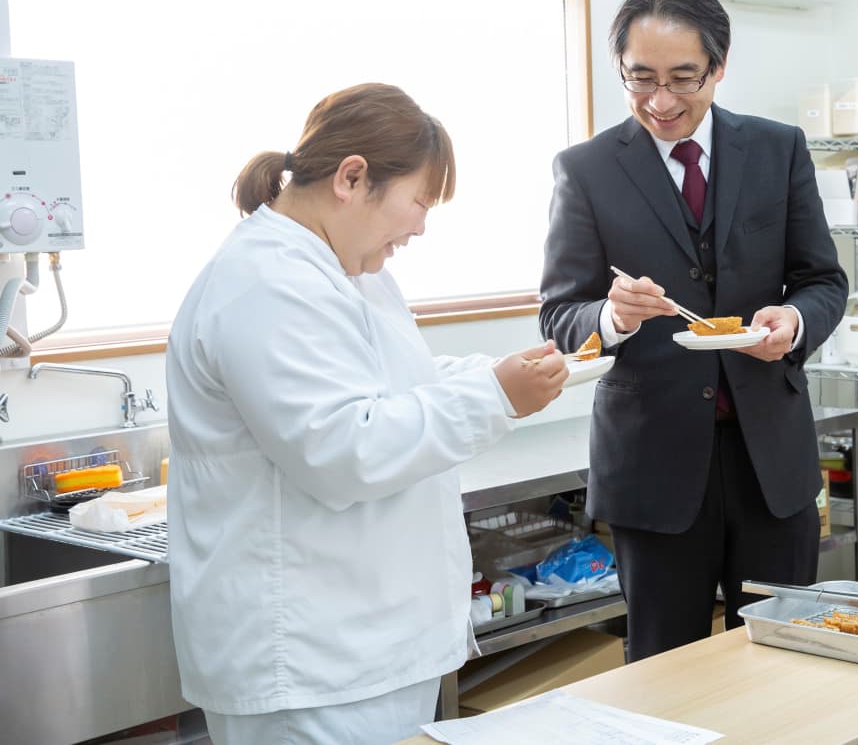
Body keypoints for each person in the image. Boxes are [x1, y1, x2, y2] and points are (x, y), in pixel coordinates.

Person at [165, 83, 568, 744]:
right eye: (418, 201)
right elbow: (343, 449)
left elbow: (393, 385)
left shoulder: (351, 273)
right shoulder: (266, 281)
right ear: (353, 178)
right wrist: (495, 395)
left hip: (366, 651)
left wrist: (496, 376)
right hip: (309, 667)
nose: (420, 226)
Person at [539, 0, 849, 661]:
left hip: (771, 460)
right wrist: (612, 316)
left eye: (683, 78)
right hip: (652, 467)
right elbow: (560, 314)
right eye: (639, 78)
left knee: (785, 662)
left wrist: (793, 322)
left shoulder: (778, 149)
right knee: (660, 668)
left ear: (719, 66)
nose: (661, 101)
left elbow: (823, 280)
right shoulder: (586, 170)